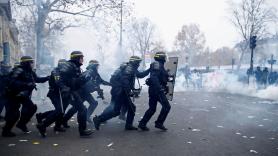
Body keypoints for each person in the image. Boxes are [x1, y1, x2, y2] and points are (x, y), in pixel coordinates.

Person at [38, 51, 93, 137]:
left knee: (78, 110)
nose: (83, 60)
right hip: (61, 92)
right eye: (81, 58)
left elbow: (76, 82)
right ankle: (43, 125)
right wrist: (63, 87)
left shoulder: (76, 67)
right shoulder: (68, 66)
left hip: (70, 91)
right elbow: (58, 76)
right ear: (77, 58)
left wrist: (85, 78)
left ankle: (82, 131)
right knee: (62, 111)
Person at [93, 56, 149, 130]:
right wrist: (131, 91)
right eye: (138, 62)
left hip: (118, 91)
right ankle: (99, 119)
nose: (139, 64)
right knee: (121, 110)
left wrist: (149, 69)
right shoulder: (129, 68)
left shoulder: (130, 67)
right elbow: (125, 81)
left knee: (119, 109)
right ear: (134, 62)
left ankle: (127, 125)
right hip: (120, 92)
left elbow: (139, 75)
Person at [2, 56, 49, 137]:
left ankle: (21, 124)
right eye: (31, 62)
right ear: (26, 63)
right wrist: (26, 84)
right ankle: (6, 131)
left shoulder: (30, 72)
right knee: (14, 114)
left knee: (32, 108)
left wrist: (47, 78)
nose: (32, 64)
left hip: (23, 95)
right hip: (14, 95)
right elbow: (11, 82)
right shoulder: (18, 70)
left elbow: (37, 79)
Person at [62, 60, 111, 126]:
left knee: (94, 103)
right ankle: (64, 120)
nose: (97, 67)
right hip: (81, 92)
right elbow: (83, 81)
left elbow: (102, 81)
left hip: (86, 92)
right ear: (94, 66)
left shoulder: (95, 73)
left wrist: (111, 84)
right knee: (76, 108)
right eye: (97, 66)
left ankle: (86, 117)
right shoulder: (88, 72)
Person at [138, 51, 171, 131]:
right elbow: (154, 77)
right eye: (164, 57)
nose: (165, 58)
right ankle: (159, 123)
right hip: (157, 91)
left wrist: (166, 74)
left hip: (154, 90)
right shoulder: (157, 64)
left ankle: (142, 124)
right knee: (167, 107)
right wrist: (160, 88)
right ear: (162, 57)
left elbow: (146, 75)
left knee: (152, 108)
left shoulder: (157, 65)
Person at [35, 59, 69, 137]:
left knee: (60, 111)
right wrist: (64, 87)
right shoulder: (56, 71)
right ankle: (43, 125)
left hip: (60, 93)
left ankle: (53, 124)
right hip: (55, 93)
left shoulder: (63, 72)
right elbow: (58, 82)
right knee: (59, 110)